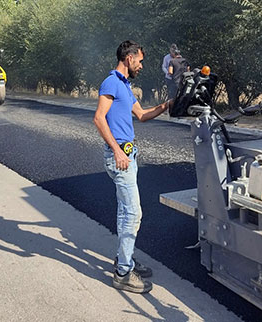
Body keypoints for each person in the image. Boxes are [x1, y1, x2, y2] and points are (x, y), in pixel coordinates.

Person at [93, 40, 173, 294]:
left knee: (125, 212)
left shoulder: (125, 87)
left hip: (129, 155)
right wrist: (117, 150)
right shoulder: (111, 83)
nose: (141, 65)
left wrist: (167, 105)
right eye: (139, 60)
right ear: (128, 58)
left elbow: (142, 115)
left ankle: (123, 259)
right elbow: (98, 118)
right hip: (120, 158)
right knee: (133, 214)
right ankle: (123, 273)